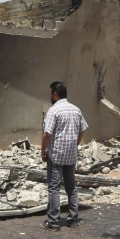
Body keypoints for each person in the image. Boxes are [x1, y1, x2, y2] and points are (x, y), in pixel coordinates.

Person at [40, 81, 88, 231]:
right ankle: (73, 219)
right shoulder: (76, 110)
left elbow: (47, 134)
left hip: (56, 155)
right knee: (71, 187)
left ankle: (53, 222)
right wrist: (75, 145)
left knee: (53, 188)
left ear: (55, 94)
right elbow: (82, 130)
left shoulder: (53, 111)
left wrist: (43, 151)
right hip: (71, 155)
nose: (50, 96)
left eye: (50, 93)